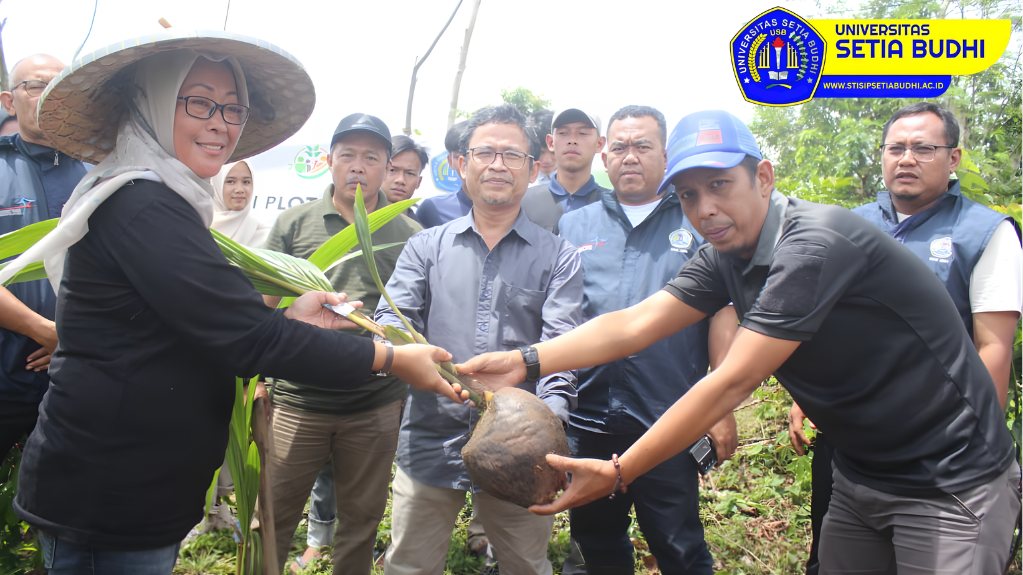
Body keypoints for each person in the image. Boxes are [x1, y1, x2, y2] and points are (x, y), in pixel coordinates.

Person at [457, 109, 1020, 575]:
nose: (705, 210)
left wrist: (621, 470)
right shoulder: (725, 255)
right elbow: (634, 325)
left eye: (720, 185)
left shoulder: (814, 243)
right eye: (688, 195)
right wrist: (522, 361)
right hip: (862, 471)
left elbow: (733, 380)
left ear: (765, 178)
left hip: (950, 478)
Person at [0, 33, 466, 574]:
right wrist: (391, 359)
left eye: (232, 107)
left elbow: (201, 326)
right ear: (150, 103)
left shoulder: (162, 200)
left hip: (135, 483)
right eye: (198, 101)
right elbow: (247, 341)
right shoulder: (142, 204)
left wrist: (283, 316)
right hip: (112, 488)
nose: (221, 122)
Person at [787, 101, 1023, 575]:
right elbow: (819, 322)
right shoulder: (844, 224)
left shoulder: (983, 233)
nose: (907, 159)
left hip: (942, 454)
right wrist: (801, 400)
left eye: (923, 148)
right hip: (854, 447)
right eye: (896, 148)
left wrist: (975, 453)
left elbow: (993, 348)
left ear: (953, 159)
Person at [377, 104, 583, 575]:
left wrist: (547, 436)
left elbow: (562, 350)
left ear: (533, 169)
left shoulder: (559, 257)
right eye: (484, 152)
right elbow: (391, 316)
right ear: (460, 164)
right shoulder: (425, 246)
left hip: (521, 450)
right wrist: (408, 356)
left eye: (512, 155)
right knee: (408, 564)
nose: (496, 165)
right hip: (431, 435)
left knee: (525, 565)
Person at [557, 105, 738, 575]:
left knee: (679, 546)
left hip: (668, 418)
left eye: (642, 146)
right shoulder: (574, 224)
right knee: (594, 543)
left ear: (664, 154)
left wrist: (720, 406)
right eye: (619, 147)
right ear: (604, 153)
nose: (629, 157)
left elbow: (722, 312)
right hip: (589, 418)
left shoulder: (697, 220)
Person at [262, 113, 423, 575]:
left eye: (371, 157)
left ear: (387, 168)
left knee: (362, 521)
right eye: (347, 155)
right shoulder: (295, 224)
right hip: (298, 402)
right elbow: (260, 308)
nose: (358, 166)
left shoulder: (408, 235)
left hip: (374, 405)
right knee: (272, 518)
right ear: (329, 161)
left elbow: (414, 319)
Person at [0, 53, 87, 458]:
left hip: (84, 373)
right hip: (8, 375)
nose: (49, 95)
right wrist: (43, 329)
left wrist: (71, 336)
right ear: (8, 101)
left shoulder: (100, 170)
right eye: (36, 85)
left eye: (60, 86)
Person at [521, 107, 609, 233]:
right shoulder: (523, 203)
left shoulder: (616, 207)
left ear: (599, 144)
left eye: (582, 133)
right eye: (563, 133)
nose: (572, 140)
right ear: (551, 142)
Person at [416, 121, 472, 228]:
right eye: (458, 157)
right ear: (450, 161)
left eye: (480, 154)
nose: (466, 163)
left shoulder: (510, 209)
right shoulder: (432, 210)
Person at [211, 160, 270, 248]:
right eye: (230, 181)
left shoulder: (265, 235)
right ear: (216, 185)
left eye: (246, 182)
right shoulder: (197, 226)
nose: (239, 189)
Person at [383, 134, 429, 223]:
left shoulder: (420, 233)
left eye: (409, 173)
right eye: (392, 170)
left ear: (419, 182)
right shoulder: (357, 220)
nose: (400, 180)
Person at [527, 110, 555, 187]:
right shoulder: (520, 184)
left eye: (553, 152)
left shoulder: (578, 183)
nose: (547, 160)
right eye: (541, 152)